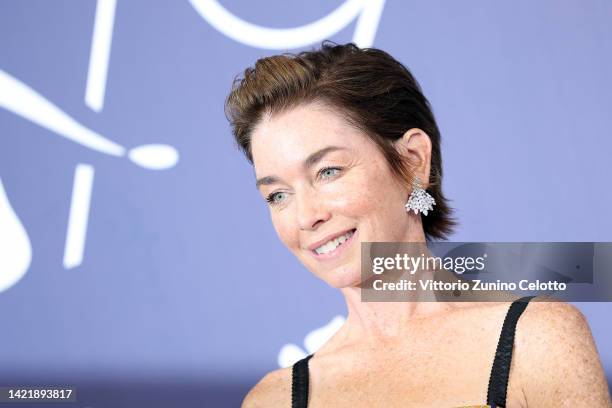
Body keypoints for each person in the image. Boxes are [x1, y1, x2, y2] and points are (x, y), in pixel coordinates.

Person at [224, 41, 611, 407]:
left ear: (413, 161)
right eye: (277, 195)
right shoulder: (274, 399)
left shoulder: (538, 339)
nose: (307, 216)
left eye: (328, 171)